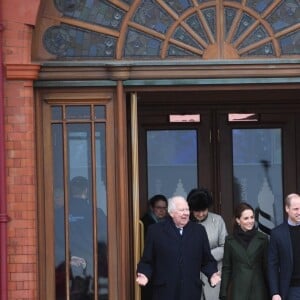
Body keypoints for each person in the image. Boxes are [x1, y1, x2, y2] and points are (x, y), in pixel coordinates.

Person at [136, 195, 220, 300]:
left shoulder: (199, 231)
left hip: (190, 291)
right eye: (181, 210)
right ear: (171, 213)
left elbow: (207, 260)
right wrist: (144, 274)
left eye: (187, 209)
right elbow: (147, 260)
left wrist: (212, 274)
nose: (186, 213)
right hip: (165, 291)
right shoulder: (155, 231)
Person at [219, 202, 269, 300]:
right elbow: (227, 268)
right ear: (238, 220)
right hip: (238, 291)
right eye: (246, 218)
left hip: (258, 290)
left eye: (252, 217)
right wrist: (223, 293)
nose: (250, 221)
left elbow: (267, 267)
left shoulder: (263, 239)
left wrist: (273, 291)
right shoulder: (230, 240)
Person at [187, 188, 227, 300]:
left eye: (203, 210)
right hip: (191, 276)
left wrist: (205, 256)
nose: (200, 214)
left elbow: (225, 246)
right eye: (196, 211)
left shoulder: (218, 220)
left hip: (214, 273)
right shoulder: (185, 223)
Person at [268, 193, 300, 300]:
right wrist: (275, 292)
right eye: (296, 209)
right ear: (287, 208)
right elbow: (272, 265)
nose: (299, 212)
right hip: (291, 289)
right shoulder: (277, 234)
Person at [140, 194, 168, 300]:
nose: (162, 211)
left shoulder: (170, 224)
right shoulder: (143, 223)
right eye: (159, 208)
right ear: (152, 208)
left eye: (164, 208)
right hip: (151, 270)